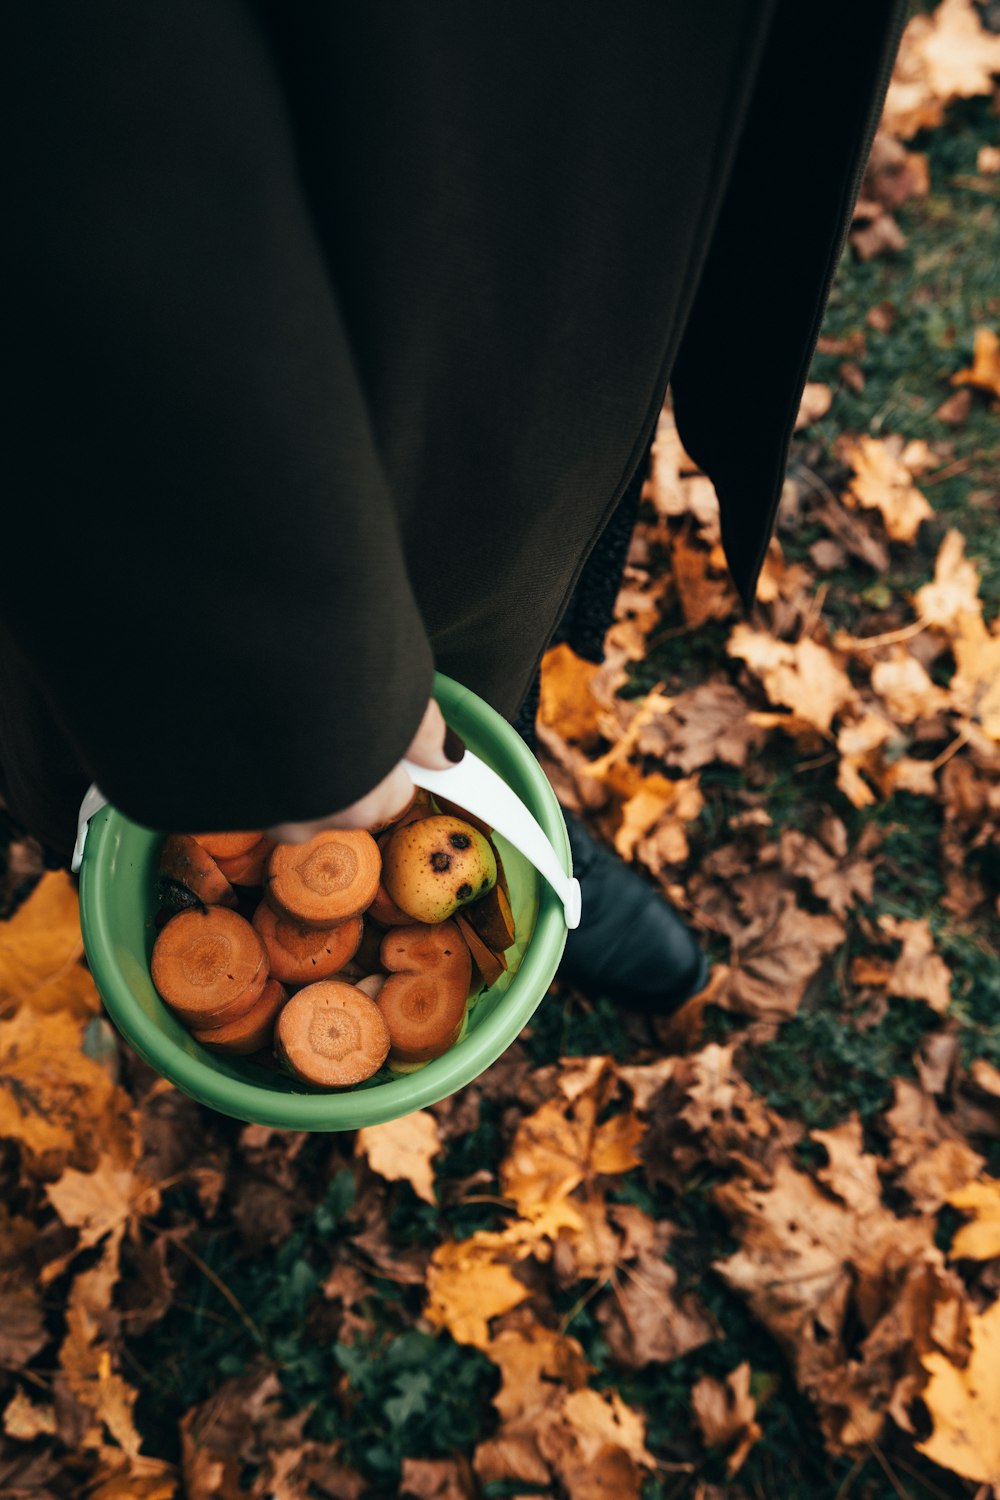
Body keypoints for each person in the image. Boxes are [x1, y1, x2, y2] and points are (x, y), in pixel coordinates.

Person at [1, 1, 907, 1012]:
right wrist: (304, 696)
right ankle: (159, 850)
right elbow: (79, 130)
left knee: (489, 582)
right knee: (186, 673)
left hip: (571, 217)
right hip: (279, 278)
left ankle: (482, 805)